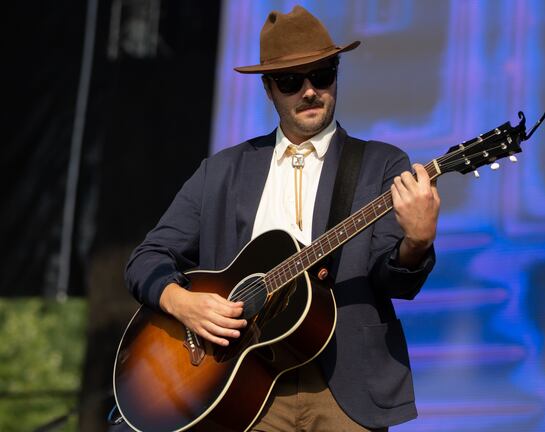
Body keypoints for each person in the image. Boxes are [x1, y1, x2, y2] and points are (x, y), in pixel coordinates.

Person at [121, 5, 440, 432]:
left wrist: (416, 244)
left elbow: (394, 280)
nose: (309, 91)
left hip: (347, 389)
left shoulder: (381, 164)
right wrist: (184, 303)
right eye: (292, 81)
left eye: (322, 75)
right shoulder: (221, 172)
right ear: (269, 89)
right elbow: (146, 259)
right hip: (243, 386)